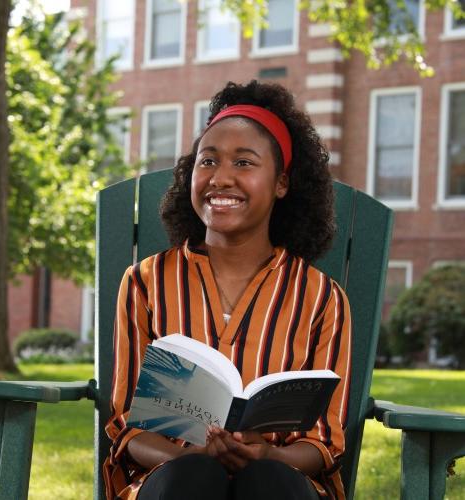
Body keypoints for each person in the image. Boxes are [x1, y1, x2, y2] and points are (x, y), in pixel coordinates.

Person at [103, 80, 351, 500]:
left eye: (244, 163)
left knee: (267, 484)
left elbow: (323, 441)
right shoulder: (146, 283)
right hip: (170, 480)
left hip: (281, 483)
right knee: (194, 478)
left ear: (282, 183)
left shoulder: (321, 298)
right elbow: (128, 428)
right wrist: (194, 456)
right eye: (208, 161)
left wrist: (268, 459)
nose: (221, 178)